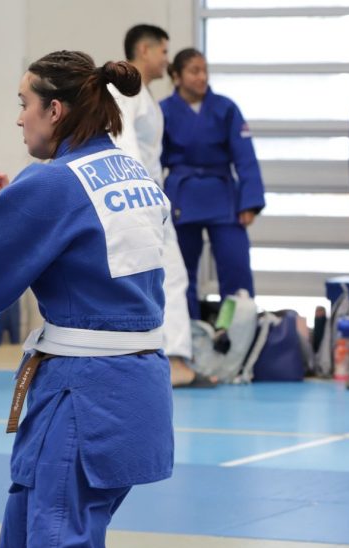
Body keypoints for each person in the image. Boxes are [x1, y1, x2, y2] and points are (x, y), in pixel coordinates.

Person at [0, 49, 173, 548]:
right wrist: (4, 209)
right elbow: (74, 239)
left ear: (54, 110)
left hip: (84, 390)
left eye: (24, 104)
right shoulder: (131, 171)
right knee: (24, 540)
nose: (19, 118)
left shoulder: (54, 182)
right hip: (135, 384)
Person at [111, 25, 212, 388]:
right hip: (139, 199)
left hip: (151, 198)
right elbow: (125, 148)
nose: (167, 60)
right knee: (164, 276)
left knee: (171, 275)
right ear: (144, 50)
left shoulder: (142, 92)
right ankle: (170, 360)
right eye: (164, 52)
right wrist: (141, 199)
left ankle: (173, 358)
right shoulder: (124, 90)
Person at [161, 48, 264, 320]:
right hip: (182, 196)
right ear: (177, 76)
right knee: (180, 272)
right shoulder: (163, 111)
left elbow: (245, 157)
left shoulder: (226, 108)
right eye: (194, 71)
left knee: (236, 266)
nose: (202, 77)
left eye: (204, 70)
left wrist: (250, 202)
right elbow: (152, 159)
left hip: (222, 193)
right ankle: (189, 335)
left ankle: (235, 332)